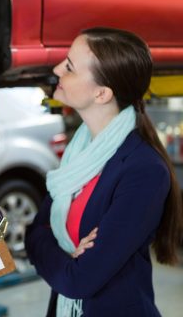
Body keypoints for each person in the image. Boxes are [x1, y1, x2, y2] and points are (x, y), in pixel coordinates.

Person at [25, 27, 183, 317]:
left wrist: (57, 252)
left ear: (101, 93)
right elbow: (33, 234)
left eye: (70, 67)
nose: (58, 69)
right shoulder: (79, 154)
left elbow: (79, 280)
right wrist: (65, 259)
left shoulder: (144, 171)